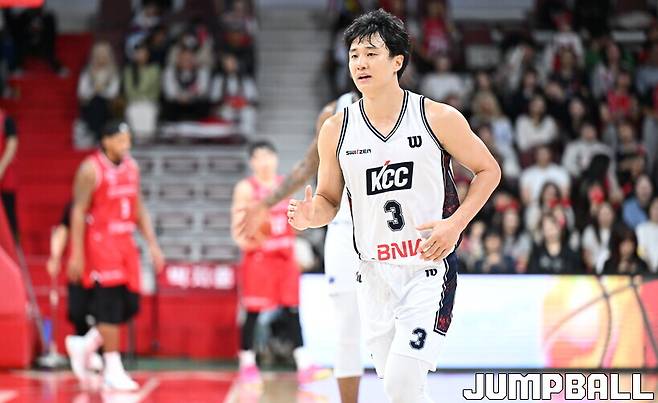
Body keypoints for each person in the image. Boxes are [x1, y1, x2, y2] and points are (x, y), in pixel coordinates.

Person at [287, 10, 501, 403]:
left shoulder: (436, 117)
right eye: (354, 55)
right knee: (404, 386)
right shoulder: (336, 128)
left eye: (371, 53)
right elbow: (328, 200)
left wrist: (455, 224)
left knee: (401, 383)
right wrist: (309, 216)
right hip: (373, 275)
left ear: (397, 61)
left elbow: (489, 170)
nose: (360, 63)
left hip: (426, 269)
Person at [235, 91, 363, 403]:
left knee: (382, 327)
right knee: (345, 328)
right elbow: (309, 166)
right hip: (338, 230)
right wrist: (265, 207)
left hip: (385, 233)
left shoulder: (412, 110)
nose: (361, 65)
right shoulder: (334, 111)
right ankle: (250, 363)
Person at [65, 121, 164, 391]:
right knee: (109, 306)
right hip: (101, 242)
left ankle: (84, 344)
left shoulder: (132, 167)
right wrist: (77, 253)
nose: (126, 145)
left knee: (131, 305)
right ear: (106, 141)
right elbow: (77, 211)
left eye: (128, 139)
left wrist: (152, 244)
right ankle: (113, 367)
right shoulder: (90, 169)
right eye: (120, 140)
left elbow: (138, 207)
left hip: (125, 242)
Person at [230, 141, 322, 386]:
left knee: (292, 309)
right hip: (260, 258)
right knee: (253, 311)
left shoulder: (285, 185)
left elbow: (292, 221)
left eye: (269, 156)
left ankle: (303, 363)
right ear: (252, 162)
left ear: (276, 158)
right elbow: (238, 228)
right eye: (259, 157)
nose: (265, 161)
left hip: (285, 257)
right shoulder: (246, 188)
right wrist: (252, 241)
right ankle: (247, 362)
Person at [46, 202, 104, 372]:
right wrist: (55, 256)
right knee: (77, 312)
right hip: (79, 270)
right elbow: (63, 230)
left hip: (103, 269)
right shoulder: (73, 206)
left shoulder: (104, 204)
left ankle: (95, 352)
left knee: (104, 314)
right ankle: (84, 353)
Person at [0, 109, 18, 237]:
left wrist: (1, 168)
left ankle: (14, 243)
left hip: (5, 176)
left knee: (8, 213)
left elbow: (12, 146)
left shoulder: (6, 121)